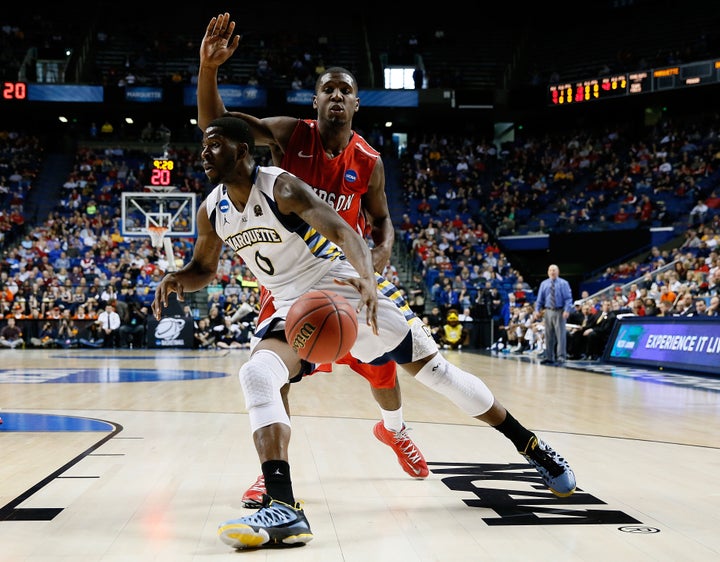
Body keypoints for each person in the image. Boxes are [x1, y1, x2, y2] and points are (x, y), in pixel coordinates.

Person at [152, 117, 576, 550]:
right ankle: (283, 505)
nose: (204, 153)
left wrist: (368, 280)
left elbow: (341, 229)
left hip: (341, 284)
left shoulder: (280, 186)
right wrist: (177, 278)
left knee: (438, 376)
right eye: (203, 145)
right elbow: (203, 268)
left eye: (215, 144)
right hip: (289, 304)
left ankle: (532, 446)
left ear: (242, 150)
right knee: (258, 374)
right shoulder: (212, 210)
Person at [197, 12, 428, 505]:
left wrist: (380, 256)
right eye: (329, 89)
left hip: (344, 276)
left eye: (346, 89)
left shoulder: (369, 160)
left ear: (356, 102)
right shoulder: (289, 135)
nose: (337, 96)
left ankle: (394, 429)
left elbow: (381, 219)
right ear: (317, 100)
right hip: (288, 279)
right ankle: (272, 472)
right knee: (272, 372)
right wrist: (210, 70)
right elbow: (221, 126)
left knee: (384, 366)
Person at [533, 264, 573, 365]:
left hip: (560, 311)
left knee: (560, 335)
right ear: (548, 272)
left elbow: (568, 299)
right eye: (550, 270)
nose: (552, 272)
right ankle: (549, 357)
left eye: (554, 270)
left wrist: (567, 310)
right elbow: (539, 299)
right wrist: (537, 310)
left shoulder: (564, 283)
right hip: (548, 311)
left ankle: (561, 356)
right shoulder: (544, 284)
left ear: (558, 272)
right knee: (548, 335)